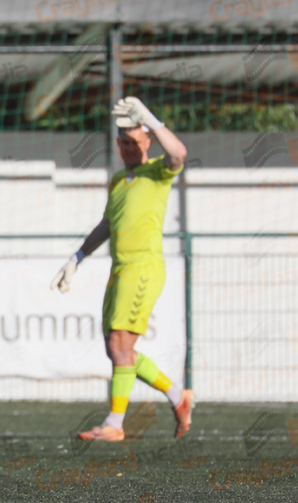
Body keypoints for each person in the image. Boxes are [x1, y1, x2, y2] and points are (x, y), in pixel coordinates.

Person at [50, 97, 194, 441]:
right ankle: (178, 397)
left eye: (135, 141)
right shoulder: (117, 180)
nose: (129, 148)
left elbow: (179, 155)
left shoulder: (159, 171)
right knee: (117, 349)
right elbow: (107, 224)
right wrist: (77, 258)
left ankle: (115, 425)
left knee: (119, 344)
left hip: (143, 269)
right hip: (120, 269)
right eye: (123, 142)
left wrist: (152, 118)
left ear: (147, 141)